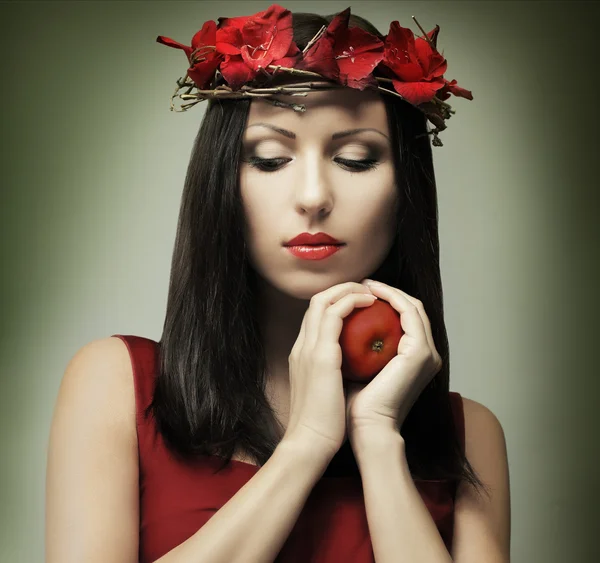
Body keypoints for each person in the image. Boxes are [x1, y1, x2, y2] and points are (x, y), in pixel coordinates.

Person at [45, 5, 511, 562]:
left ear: (404, 191)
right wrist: (306, 447)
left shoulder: (469, 435)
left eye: (356, 158)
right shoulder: (118, 385)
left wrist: (379, 439)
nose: (313, 195)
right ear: (221, 184)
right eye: (269, 159)